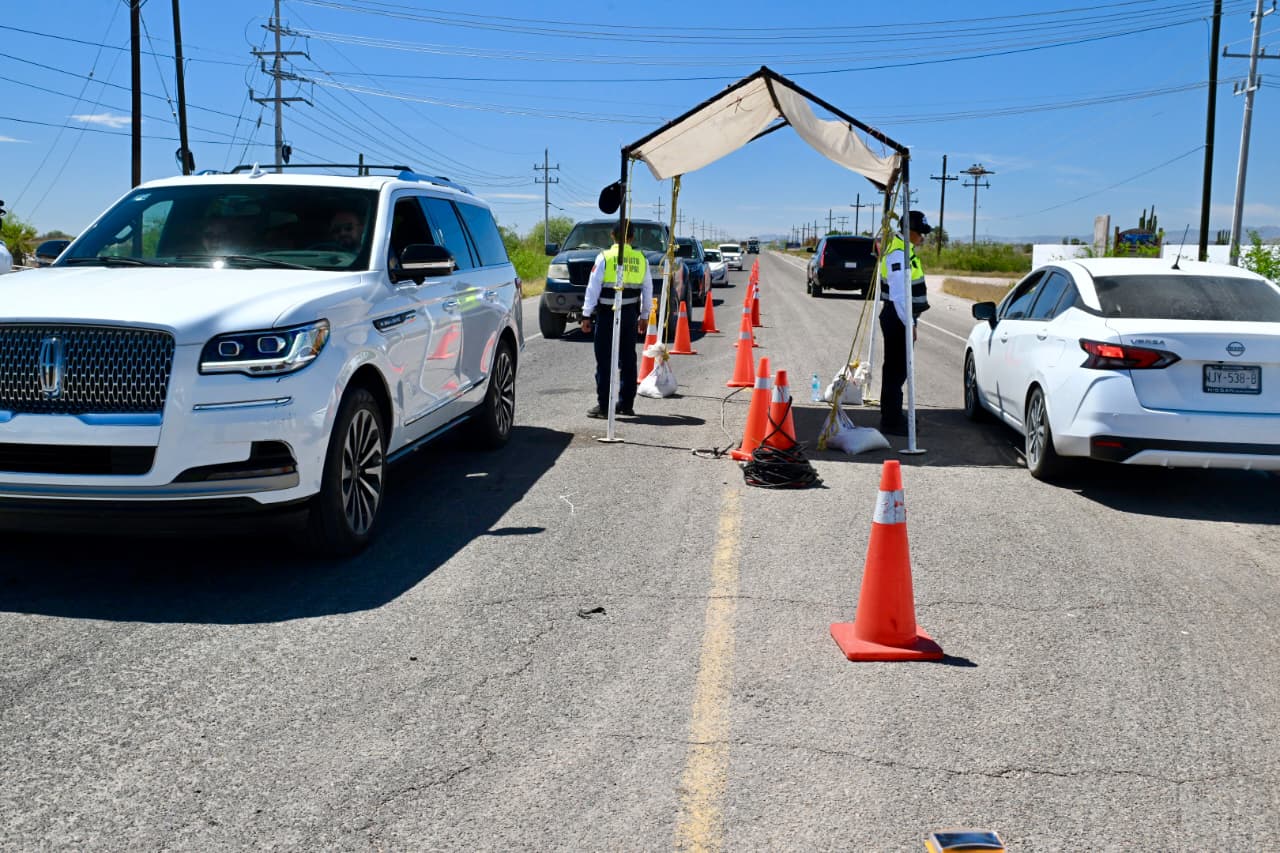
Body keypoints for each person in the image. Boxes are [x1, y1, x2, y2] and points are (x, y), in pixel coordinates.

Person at [581, 222, 652, 419]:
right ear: (632, 237)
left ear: (612, 235)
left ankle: (604, 406)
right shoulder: (641, 259)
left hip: (607, 313)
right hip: (630, 315)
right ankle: (626, 404)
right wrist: (644, 316)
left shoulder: (604, 257)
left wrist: (586, 314)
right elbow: (648, 289)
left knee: (604, 360)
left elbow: (592, 288)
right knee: (628, 359)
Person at [878, 209, 932, 436]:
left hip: (899, 317)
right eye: (920, 232)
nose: (923, 237)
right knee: (896, 371)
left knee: (896, 370)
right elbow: (900, 296)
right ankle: (891, 422)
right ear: (910, 231)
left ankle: (893, 416)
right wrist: (910, 324)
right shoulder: (899, 254)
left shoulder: (904, 250)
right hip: (897, 317)